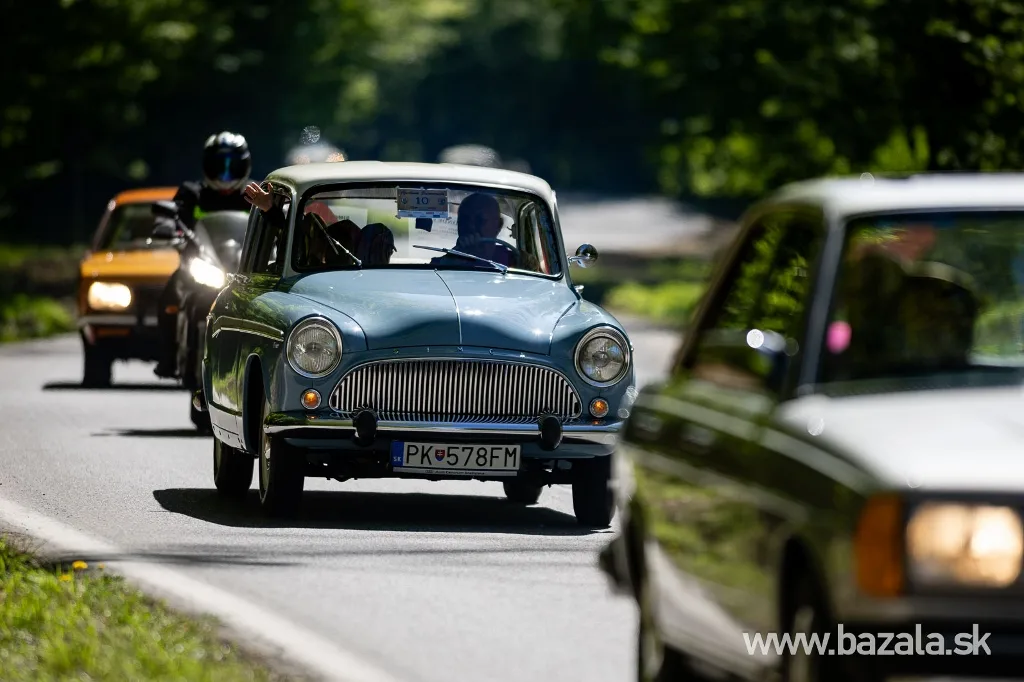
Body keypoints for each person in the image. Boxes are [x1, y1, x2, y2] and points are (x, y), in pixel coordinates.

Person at [153, 131, 253, 378]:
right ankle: (168, 357)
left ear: (245, 166)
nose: (225, 175)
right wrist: (168, 228)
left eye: (232, 167)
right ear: (206, 166)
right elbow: (172, 217)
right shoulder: (191, 193)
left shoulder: (255, 195)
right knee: (168, 299)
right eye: (219, 167)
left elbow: (275, 220)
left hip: (243, 268)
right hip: (199, 264)